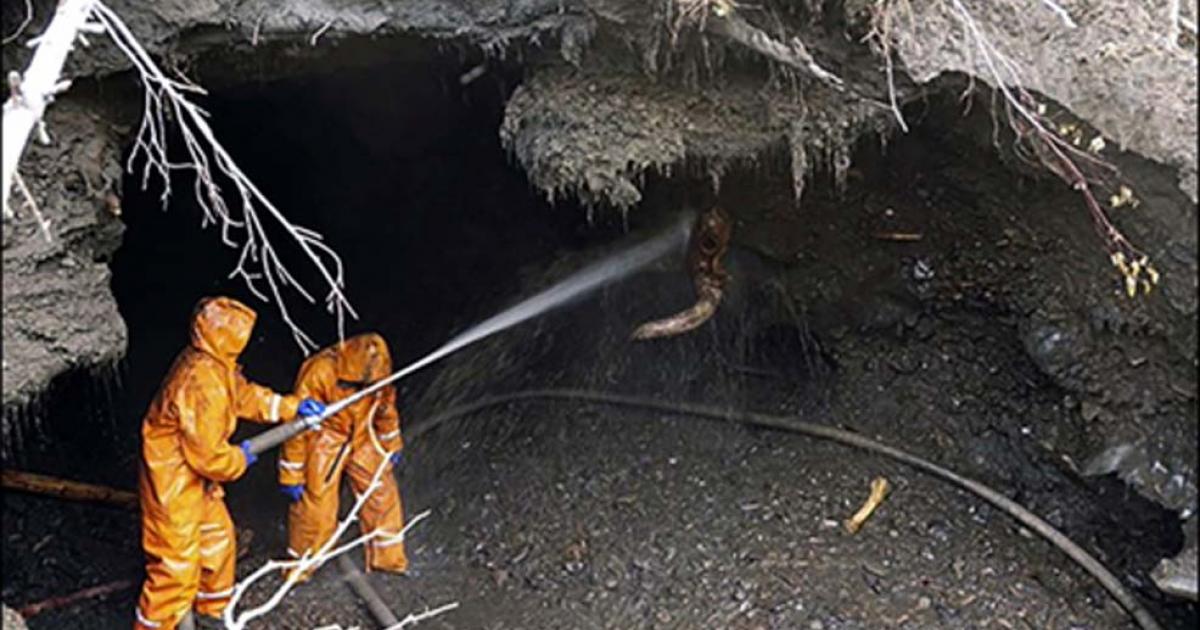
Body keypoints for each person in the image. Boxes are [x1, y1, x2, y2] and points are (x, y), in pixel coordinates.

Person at [134, 297, 325, 630]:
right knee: (174, 570)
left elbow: (244, 396)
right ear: (224, 335)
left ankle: (211, 616)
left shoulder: (215, 364)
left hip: (196, 483)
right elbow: (208, 458)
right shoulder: (199, 381)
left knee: (218, 545)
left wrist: (291, 407)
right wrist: (240, 457)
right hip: (172, 485)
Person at [277, 332, 408, 579]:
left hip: (362, 436)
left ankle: (388, 561)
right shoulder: (320, 371)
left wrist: (391, 444)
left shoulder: (379, 376)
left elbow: (385, 410)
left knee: (382, 494)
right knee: (316, 508)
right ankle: (301, 568)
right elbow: (297, 427)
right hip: (326, 437)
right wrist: (292, 473)